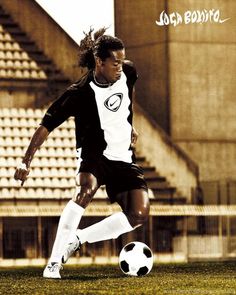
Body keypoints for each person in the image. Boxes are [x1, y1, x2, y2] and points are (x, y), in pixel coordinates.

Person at [14, 28, 150, 279]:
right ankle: (53, 263)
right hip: (94, 155)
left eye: (122, 61)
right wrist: (26, 161)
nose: (120, 67)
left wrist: (130, 124)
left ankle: (77, 239)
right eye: (115, 62)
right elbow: (46, 126)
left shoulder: (128, 72)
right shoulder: (78, 93)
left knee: (139, 213)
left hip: (122, 156)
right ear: (99, 62)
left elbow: (129, 93)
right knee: (84, 190)